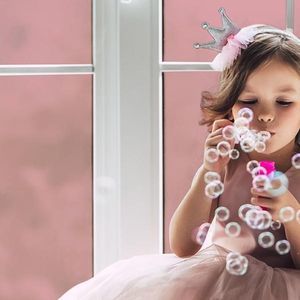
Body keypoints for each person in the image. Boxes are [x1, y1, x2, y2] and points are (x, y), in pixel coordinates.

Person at [59, 9, 300, 300]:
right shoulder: (229, 162)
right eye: (249, 100)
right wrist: (209, 171)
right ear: (230, 108)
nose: (265, 115)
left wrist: (291, 213)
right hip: (223, 286)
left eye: (284, 102)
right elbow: (184, 246)